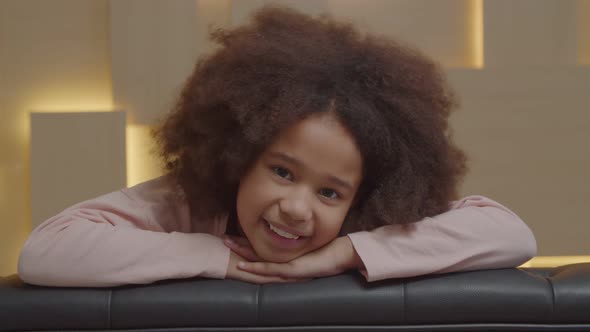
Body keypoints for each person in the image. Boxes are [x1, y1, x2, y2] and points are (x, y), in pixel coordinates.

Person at [17, 5, 536, 287]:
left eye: (330, 194)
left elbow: (511, 233)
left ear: (364, 196)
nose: (295, 207)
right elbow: (44, 251)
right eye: (283, 172)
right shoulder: (189, 202)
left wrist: (343, 253)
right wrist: (212, 256)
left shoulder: (371, 220)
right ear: (239, 156)